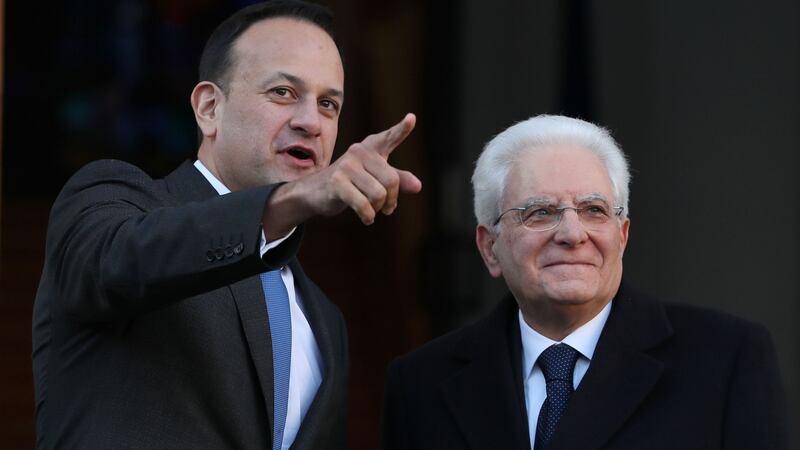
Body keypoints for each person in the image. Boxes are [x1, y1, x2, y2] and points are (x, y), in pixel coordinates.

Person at [32, 1, 421, 449]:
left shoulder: (325, 320)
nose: (311, 122)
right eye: (283, 93)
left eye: (329, 104)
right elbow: (119, 261)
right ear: (209, 108)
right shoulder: (111, 200)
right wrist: (296, 198)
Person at [381, 115, 788, 450]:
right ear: (490, 248)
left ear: (622, 236)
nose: (573, 234)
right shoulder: (421, 385)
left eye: (594, 210)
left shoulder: (725, 360)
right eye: (540, 212)